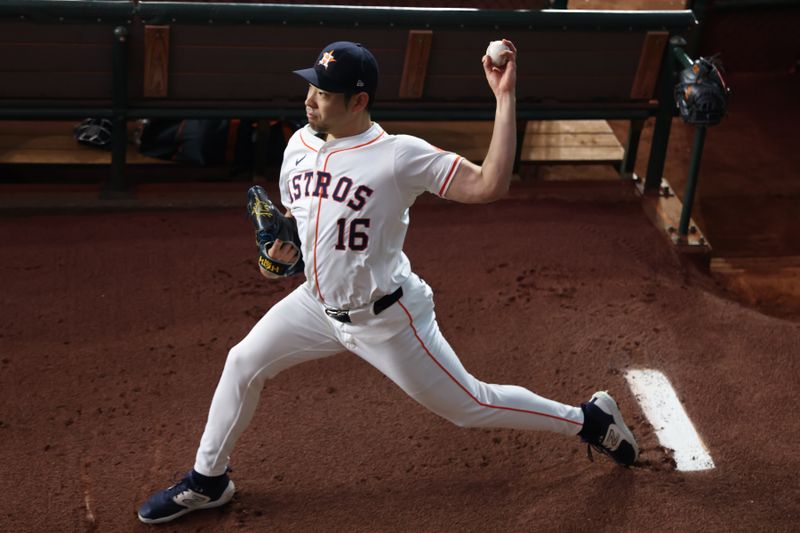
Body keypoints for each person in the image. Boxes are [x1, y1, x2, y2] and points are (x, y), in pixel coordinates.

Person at [138, 40, 638, 525]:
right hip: (315, 305)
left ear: (358, 101)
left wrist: (504, 97)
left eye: (324, 93)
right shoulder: (299, 144)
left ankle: (590, 421)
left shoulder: (399, 156)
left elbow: (490, 184)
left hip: (388, 320)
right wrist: (282, 254)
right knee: (242, 362)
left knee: (471, 406)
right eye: (311, 86)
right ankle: (208, 480)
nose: (309, 99)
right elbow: (302, 226)